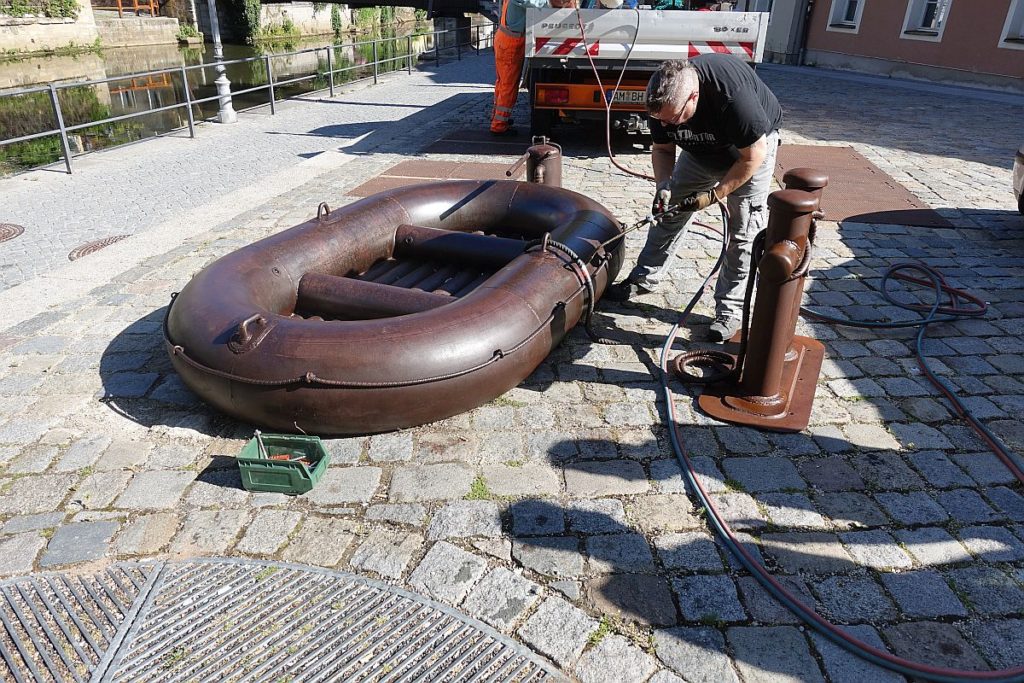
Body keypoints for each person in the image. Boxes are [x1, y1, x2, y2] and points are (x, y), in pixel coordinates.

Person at [605, 54, 782, 343]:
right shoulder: (662, 104)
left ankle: (730, 311)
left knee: (743, 232)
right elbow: (662, 150)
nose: (669, 125)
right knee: (668, 211)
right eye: (663, 120)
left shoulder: (733, 98)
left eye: (675, 118)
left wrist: (713, 195)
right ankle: (644, 278)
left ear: (694, 97)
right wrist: (664, 184)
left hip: (748, 150)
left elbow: (753, 157)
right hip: (701, 151)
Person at [490, 0, 575, 136]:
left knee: (502, 83)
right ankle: (499, 126)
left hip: (508, 39)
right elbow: (533, 3)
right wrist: (552, 3)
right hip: (511, 42)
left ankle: (497, 118)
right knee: (508, 85)